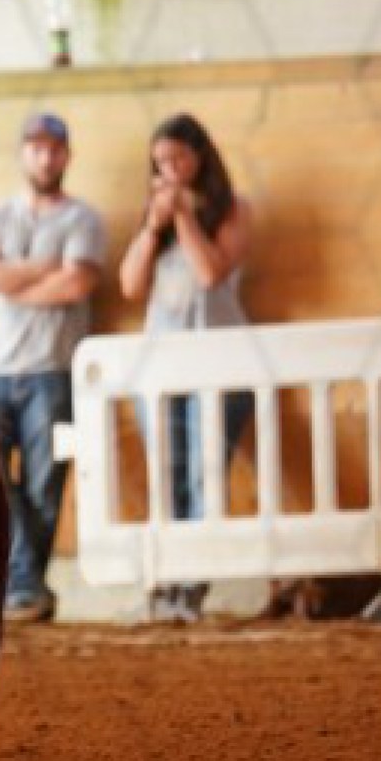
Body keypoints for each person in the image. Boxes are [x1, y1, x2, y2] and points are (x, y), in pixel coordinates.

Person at [0, 109, 106, 626]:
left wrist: (12, 280)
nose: (45, 157)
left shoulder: (83, 219)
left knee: (45, 485)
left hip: (54, 371)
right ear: (24, 153)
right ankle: (23, 584)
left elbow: (77, 285)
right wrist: (45, 270)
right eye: (37, 148)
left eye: (54, 149)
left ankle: (23, 587)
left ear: (66, 155)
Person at [117, 111, 255, 623]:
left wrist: (183, 217)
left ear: (200, 156)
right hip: (161, 367)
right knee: (167, 473)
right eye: (160, 162)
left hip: (220, 364)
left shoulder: (233, 209)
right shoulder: (154, 214)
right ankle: (165, 584)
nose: (169, 170)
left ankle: (192, 589)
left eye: (178, 158)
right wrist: (153, 227)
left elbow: (211, 272)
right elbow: (131, 286)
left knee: (204, 475)